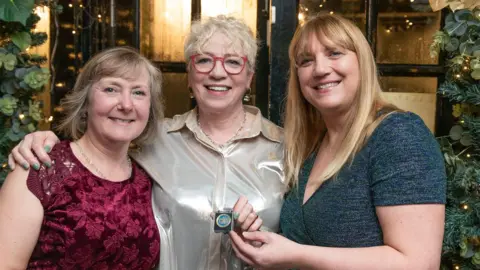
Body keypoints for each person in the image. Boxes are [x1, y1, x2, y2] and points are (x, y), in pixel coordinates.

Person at [7, 16, 285, 270]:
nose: (217, 72)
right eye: (204, 60)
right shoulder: (154, 139)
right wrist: (44, 139)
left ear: (250, 78)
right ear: (190, 74)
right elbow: (94, 148)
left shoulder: (287, 148)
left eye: (234, 62)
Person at [229, 14, 447, 269]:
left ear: (361, 61)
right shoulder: (314, 145)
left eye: (334, 53)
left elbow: (418, 264)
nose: (320, 69)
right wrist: (263, 242)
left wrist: (295, 254)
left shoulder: (397, 134)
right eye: (306, 61)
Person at [0, 47, 164, 269]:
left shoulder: (149, 178)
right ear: (85, 101)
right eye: (111, 89)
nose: (126, 105)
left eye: (138, 92)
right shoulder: (39, 171)